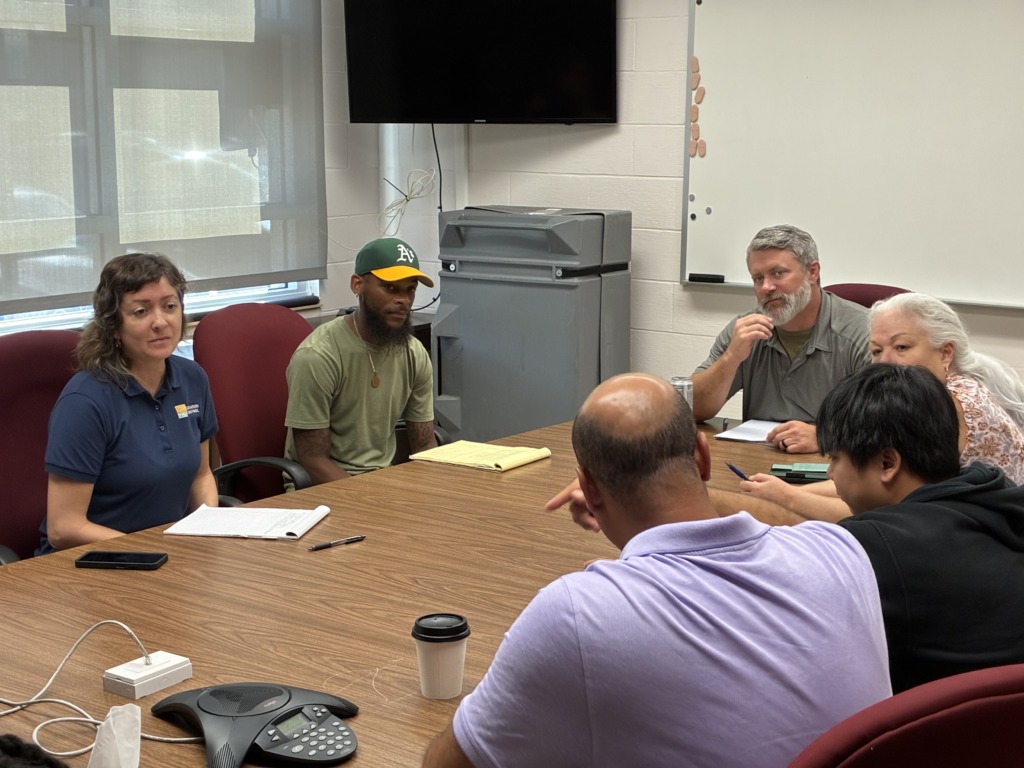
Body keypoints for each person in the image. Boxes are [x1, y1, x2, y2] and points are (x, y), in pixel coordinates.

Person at [424, 373, 891, 768]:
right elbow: (791, 528)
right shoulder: (842, 553)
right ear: (703, 457)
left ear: (589, 487)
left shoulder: (578, 615)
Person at [817, 364, 1024, 692]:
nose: (829, 473)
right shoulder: (1000, 500)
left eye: (834, 458)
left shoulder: (874, 547)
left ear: (887, 464)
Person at [739, 292, 1024, 522]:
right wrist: (784, 489)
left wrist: (787, 498)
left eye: (901, 347)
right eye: (876, 351)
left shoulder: (951, 405)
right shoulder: (942, 391)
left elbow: (892, 513)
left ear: (946, 352)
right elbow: (868, 480)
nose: (885, 361)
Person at [38, 253, 218, 554]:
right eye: (140, 311)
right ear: (113, 327)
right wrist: (154, 549)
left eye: (170, 306)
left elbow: (201, 475)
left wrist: (208, 527)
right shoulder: (85, 401)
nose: (160, 322)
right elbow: (63, 528)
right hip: (92, 563)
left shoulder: (192, 378)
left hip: (170, 555)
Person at [691, 224, 870, 454]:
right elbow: (693, 409)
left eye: (778, 273)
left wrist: (826, 436)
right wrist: (731, 358)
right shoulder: (745, 330)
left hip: (836, 470)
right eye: (757, 278)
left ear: (812, 272)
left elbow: (897, 422)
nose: (766, 287)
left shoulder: (862, 333)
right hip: (758, 465)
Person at [284, 237, 437, 482]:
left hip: (383, 484)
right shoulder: (318, 356)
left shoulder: (413, 352)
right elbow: (313, 460)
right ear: (357, 285)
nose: (403, 301)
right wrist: (370, 498)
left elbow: (424, 444)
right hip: (321, 491)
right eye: (390, 288)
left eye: (410, 290)